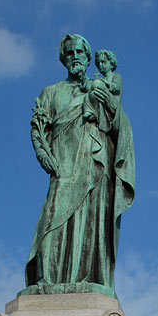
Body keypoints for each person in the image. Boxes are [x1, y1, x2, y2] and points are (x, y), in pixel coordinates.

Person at [24, 34, 134, 296]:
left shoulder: (101, 87)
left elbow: (121, 126)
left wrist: (108, 103)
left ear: (87, 57)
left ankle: (90, 274)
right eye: (70, 53)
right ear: (64, 59)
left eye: (80, 53)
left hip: (96, 164)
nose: (75, 57)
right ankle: (46, 278)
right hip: (63, 164)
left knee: (92, 221)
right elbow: (38, 128)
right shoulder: (51, 93)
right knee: (53, 217)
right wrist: (43, 155)